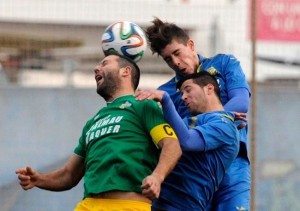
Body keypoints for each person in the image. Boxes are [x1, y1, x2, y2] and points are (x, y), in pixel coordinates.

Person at [15, 53, 182, 211]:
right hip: (88, 205)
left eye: (104, 63)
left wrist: (157, 177)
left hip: (128, 205)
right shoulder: (93, 122)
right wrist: (39, 179)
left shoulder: (143, 105)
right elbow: (69, 174)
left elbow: (172, 145)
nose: (96, 68)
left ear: (126, 71)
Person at [145, 17, 251, 210]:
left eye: (177, 53)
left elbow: (241, 103)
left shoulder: (224, 63)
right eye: (168, 59)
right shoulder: (166, 92)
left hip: (232, 165)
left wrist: (219, 121)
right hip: (193, 172)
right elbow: (172, 136)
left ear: (191, 44)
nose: (176, 62)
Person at [136, 71, 240, 210]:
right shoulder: (190, 122)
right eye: (181, 93)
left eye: (188, 90)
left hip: (184, 204)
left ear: (209, 88)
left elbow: (188, 142)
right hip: (157, 200)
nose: (183, 97)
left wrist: (166, 100)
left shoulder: (225, 125)